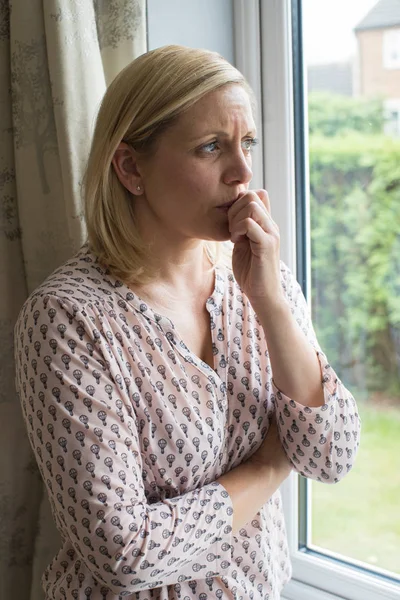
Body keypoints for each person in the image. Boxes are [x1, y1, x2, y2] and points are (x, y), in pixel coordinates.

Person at [14, 45, 361, 600]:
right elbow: (123, 556)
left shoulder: (260, 274)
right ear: (131, 168)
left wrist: (270, 302)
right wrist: (269, 468)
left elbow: (331, 453)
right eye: (210, 148)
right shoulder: (68, 319)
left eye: (246, 143)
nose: (243, 172)